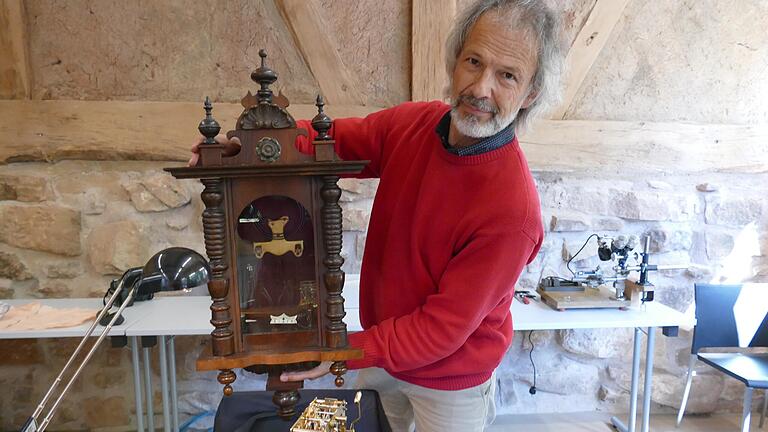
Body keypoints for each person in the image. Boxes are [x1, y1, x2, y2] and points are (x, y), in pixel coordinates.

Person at [190, 1, 564, 430]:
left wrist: (343, 348)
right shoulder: (414, 125)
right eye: (473, 62)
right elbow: (333, 141)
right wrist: (253, 147)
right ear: (455, 62)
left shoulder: (512, 211)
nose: (481, 88)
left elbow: (441, 330)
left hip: (450, 384)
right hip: (385, 358)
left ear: (531, 93)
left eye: (507, 75)